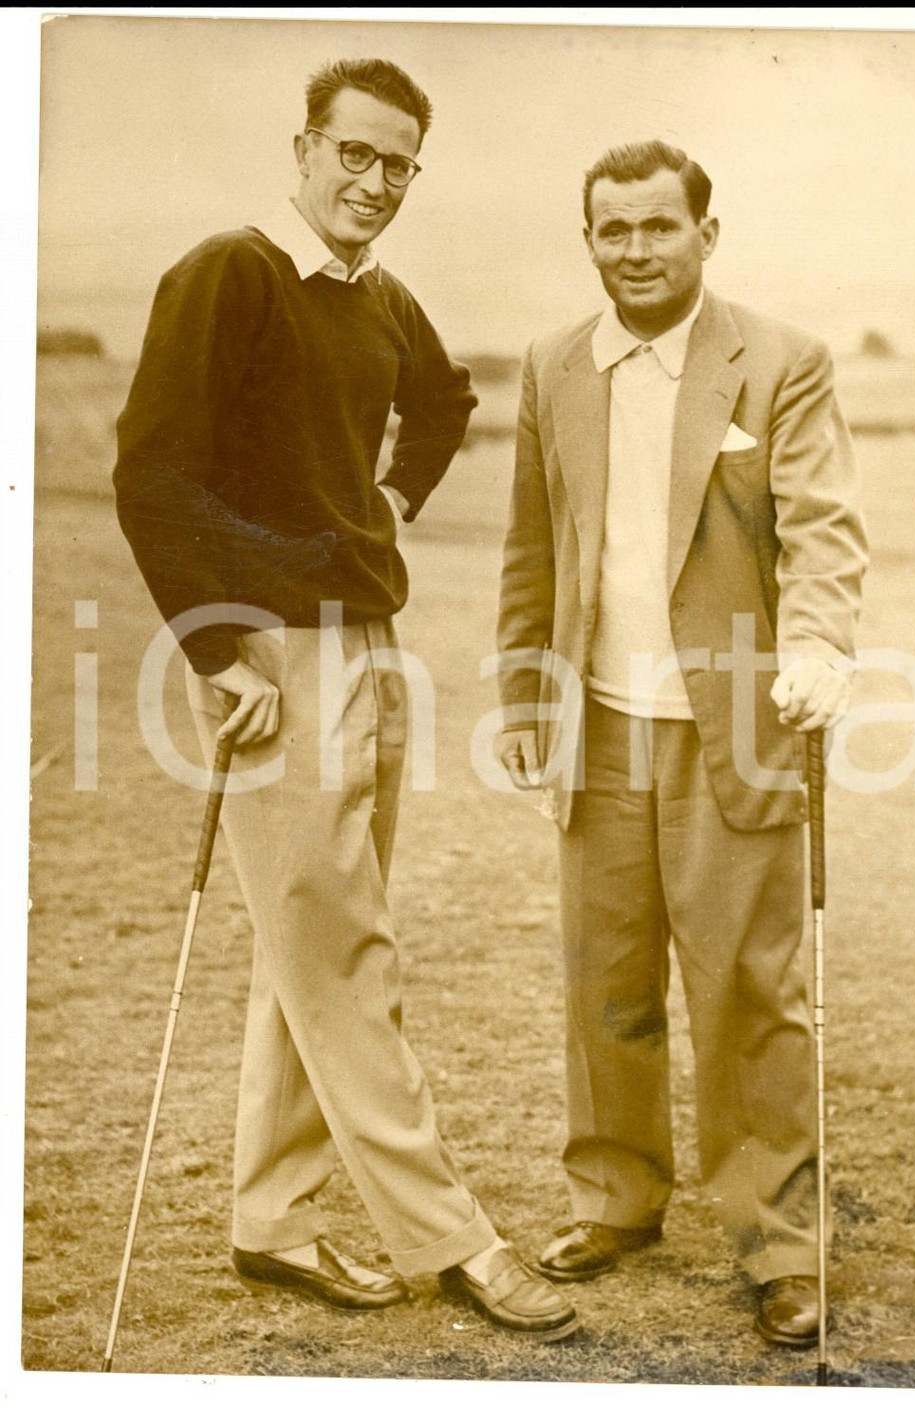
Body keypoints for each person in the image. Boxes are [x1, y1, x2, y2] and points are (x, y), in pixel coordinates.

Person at [113, 57, 578, 1343]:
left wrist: (385, 503)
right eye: (354, 154)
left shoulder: (380, 294)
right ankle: (454, 1240)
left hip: (367, 639)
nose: (375, 183)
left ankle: (269, 1216)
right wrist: (214, 648)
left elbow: (444, 401)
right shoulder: (234, 269)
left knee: (310, 943)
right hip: (268, 657)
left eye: (398, 164)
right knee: (345, 950)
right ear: (305, 148)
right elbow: (152, 475)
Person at [495, 139, 867, 1346]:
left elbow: (821, 526)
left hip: (740, 726)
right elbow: (531, 547)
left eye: (660, 227)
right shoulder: (554, 365)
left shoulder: (783, 362)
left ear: (708, 234)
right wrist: (522, 692)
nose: (636, 250)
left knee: (750, 988)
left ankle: (777, 1241)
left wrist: (817, 646)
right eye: (614, 230)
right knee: (606, 979)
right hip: (597, 719)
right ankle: (615, 1197)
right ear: (588, 240)